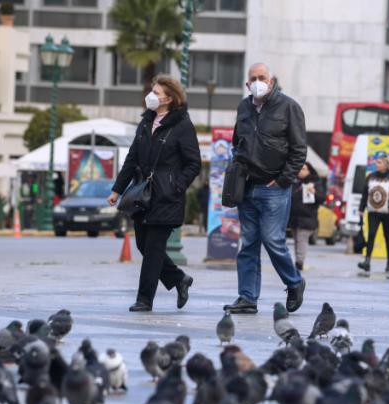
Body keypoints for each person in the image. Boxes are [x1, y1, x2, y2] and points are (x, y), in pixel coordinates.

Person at [107, 75, 201, 312]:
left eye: (156, 93)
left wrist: (176, 186)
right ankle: (179, 279)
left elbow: (193, 163)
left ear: (169, 99)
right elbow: (132, 158)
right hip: (142, 195)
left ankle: (144, 299)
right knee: (143, 245)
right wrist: (117, 189)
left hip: (167, 197)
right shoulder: (146, 122)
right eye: (152, 91)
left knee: (154, 249)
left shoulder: (182, 125)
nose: (151, 95)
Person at [223, 63, 307, 315]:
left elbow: (299, 149)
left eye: (262, 77)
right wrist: (238, 168)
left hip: (274, 188)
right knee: (248, 244)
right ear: (247, 84)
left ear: (271, 82)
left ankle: (294, 282)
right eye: (253, 78)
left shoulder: (289, 107)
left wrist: (283, 179)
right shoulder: (244, 107)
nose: (258, 81)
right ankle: (247, 297)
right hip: (247, 186)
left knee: (273, 240)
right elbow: (237, 142)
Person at [357, 154, 389, 273]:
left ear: (386, 164)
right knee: (371, 234)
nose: (376, 164)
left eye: (379, 162)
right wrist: (361, 208)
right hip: (373, 211)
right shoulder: (371, 177)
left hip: (388, 212)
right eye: (376, 162)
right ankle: (367, 261)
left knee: (387, 236)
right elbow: (365, 193)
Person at [289, 162, 326, 271]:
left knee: (302, 239)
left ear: (309, 170)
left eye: (304, 169)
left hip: (307, 217)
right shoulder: (294, 181)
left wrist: (314, 192)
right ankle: (298, 260)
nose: (301, 171)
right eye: (299, 169)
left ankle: (299, 262)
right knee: (297, 240)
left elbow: (321, 198)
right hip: (294, 216)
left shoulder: (315, 182)